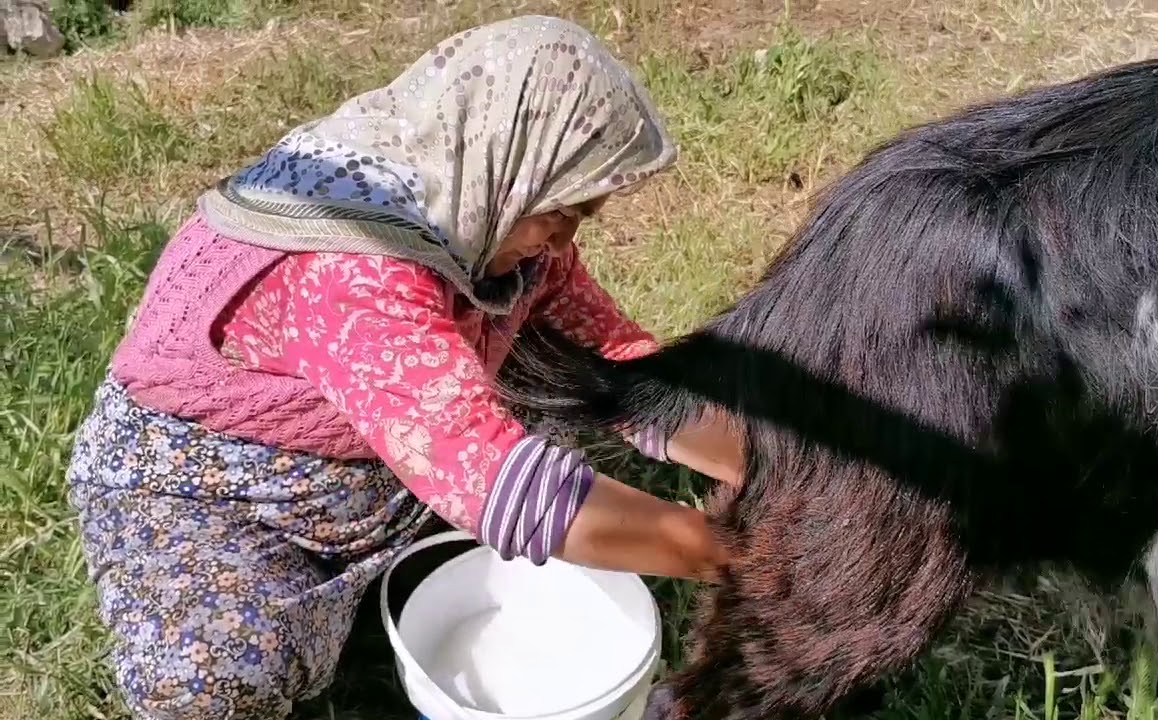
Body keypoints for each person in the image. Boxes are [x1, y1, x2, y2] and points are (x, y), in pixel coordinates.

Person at [66, 15, 744, 720]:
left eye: (583, 215)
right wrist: (734, 558)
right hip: (221, 494)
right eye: (564, 211)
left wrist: (761, 463)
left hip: (381, 457)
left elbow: (622, 367)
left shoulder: (483, 199)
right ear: (507, 156)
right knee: (214, 673)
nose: (565, 238)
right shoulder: (352, 261)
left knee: (573, 407)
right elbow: (497, 478)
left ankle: (394, 567)